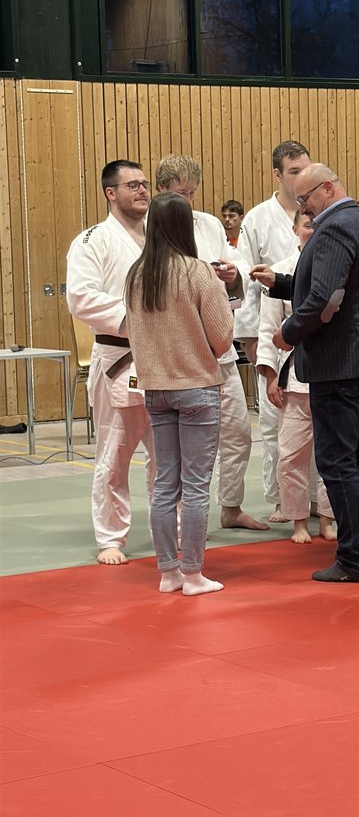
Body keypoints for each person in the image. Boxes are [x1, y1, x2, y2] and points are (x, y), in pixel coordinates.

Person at [251, 164, 359, 582]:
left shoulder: (334, 227)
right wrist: (280, 282)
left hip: (340, 360)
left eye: (305, 199)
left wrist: (288, 333)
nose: (303, 208)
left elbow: (325, 298)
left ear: (327, 188)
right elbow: (336, 286)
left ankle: (352, 558)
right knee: (357, 458)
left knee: (337, 460)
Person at [125, 192, 233, 595]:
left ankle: (168, 573)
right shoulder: (197, 272)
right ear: (185, 226)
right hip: (196, 388)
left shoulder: (136, 275)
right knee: (196, 485)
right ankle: (193, 574)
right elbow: (222, 338)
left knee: (164, 483)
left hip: (156, 389)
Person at [155, 154, 267, 532]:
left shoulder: (209, 224)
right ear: (161, 190)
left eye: (191, 192)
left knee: (237, 432)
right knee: (179, 446)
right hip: (177, 352)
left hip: (219, 348)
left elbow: (238, 270)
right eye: (179, 192)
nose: (187, 200)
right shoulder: (149, 231)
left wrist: (233, 274)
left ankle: (230, 506)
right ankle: (180, 519)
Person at [66, 159, 155, 566]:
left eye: (144, 184)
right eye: (132, 185)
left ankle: (171, 529)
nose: (142, 190)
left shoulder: (161, 235)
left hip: (163, 358)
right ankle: (110, 537)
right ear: (111, 193)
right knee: (115, 453)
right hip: (119, 356)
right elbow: (81, 297)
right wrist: (137, 317)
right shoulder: (93, 240)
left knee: (168, 454)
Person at [236, 140, 312, 521]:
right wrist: (250, 337)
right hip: (272, 331)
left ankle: (317, 502)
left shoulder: (317, 208)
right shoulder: (257, 219)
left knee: (316, 430)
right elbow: (247, 281)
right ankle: (282, 499)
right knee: (273, 424)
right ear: (277, 175)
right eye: (294, 171)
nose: (301, 177)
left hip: (313, 336)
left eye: (306, 170)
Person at [257, 209, 336, 544]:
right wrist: (270, 376)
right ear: (294, 229)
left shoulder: (336, 266)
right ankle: (298, 521)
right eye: (307, 225)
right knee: (290, 455)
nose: (312, 230)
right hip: (293, 376)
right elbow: (267, 330)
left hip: (331, 374)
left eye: (317, 225)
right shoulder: (280, 272)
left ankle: (328, 518)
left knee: (331, 454)